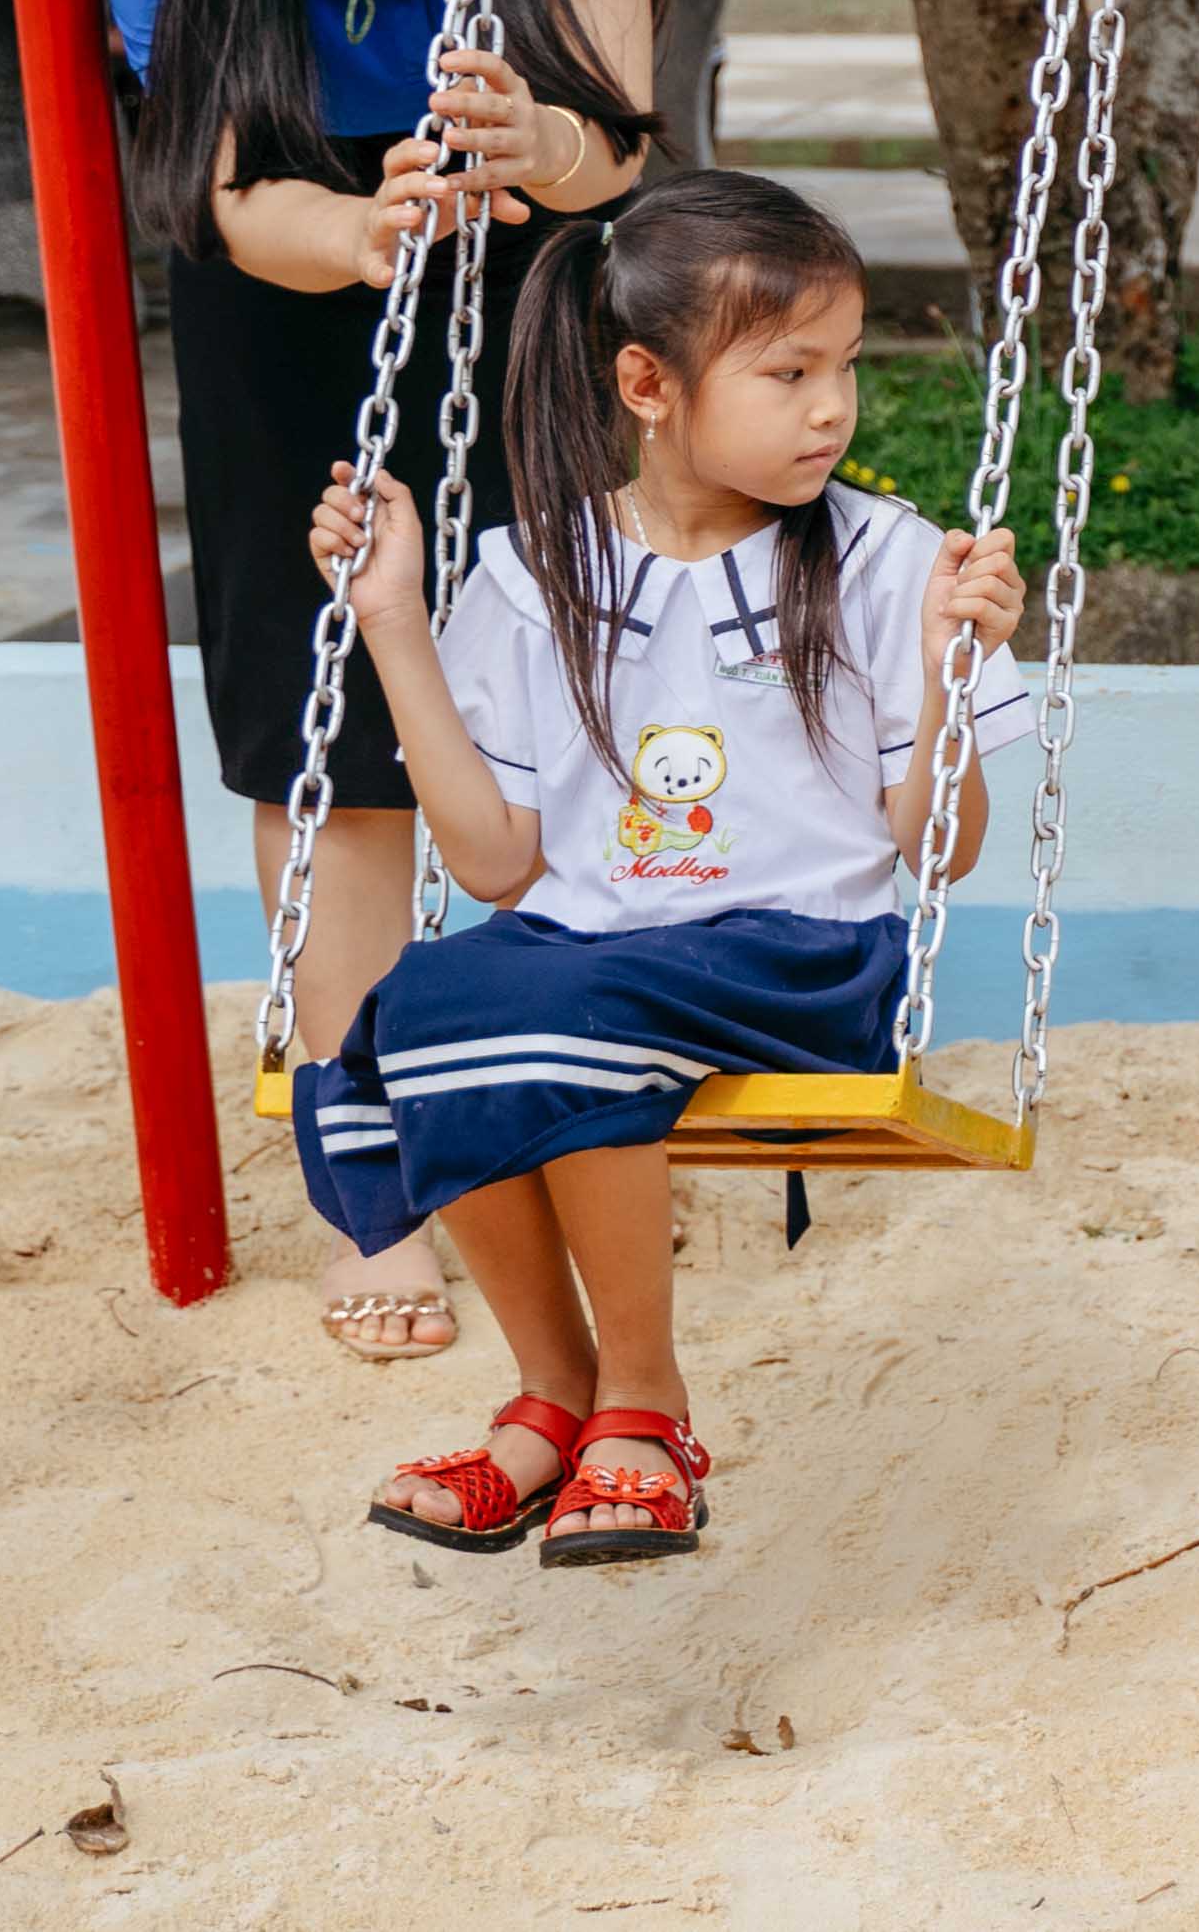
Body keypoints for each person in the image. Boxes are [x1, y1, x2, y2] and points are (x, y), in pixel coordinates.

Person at [80, 0, 670, 1362]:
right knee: (326, 732)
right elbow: (223, 185)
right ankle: (377, 1185)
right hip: (285, 279)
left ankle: (561, 1108)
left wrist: (533, 147)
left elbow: (621, 135)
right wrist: (358, 229)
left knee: (545, 686)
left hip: (534, 251)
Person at [304, 172, 1028, 1564]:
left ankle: (645, 1404)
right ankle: (552, 1392)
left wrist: (951, 670)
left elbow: (937, 849)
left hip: (797, 958)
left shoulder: (884, 561)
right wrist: (392, 620)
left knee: (563, 1017)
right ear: (648, 381)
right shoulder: (534, 575)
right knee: (419, 1008)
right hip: (590, 953)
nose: (833, 407)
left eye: (847, 368)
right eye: (789, 372)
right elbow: (496, 862)